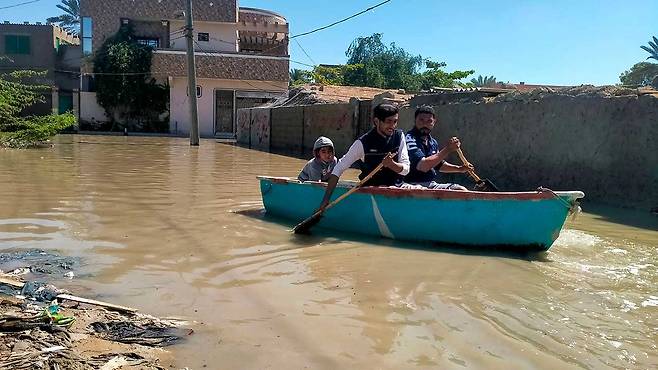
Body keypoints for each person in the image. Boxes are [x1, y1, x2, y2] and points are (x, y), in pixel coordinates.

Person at [317, 103, 410, 209]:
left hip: (397, 187)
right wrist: (326, 199)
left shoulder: (399, 136)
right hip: (373, 188)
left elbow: (406, 169)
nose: (392, 126)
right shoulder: (362, 143)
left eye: (395, 121)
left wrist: (392, 165)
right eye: (388, 122)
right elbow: (338, 168)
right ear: (376, 121)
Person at [405, 105, 473, 190]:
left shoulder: (432, 142)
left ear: (434, 122)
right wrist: (448, 149)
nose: (425, 124)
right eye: (421, 120)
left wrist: (460, 169)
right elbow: (423, 166)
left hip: (430, 184)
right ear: (415, 121)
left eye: (429, 121)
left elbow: (437, 164)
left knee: (460, 190)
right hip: (412, 185)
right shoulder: (410, 139)